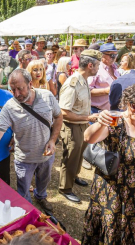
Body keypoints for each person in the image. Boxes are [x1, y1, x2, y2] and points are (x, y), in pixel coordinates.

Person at [82, 81, 135, 244]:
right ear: (128, 101)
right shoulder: (116, 122)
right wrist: (101, 123)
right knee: (109, 229)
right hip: (112, 191)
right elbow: (88, 137)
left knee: (129, 230)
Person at [0, 69, 62, 214]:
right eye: (13, 90)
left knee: (43, 181)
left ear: (30, 84)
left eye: (20, 89)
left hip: (46, 156)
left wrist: (52, 139)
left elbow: (58, 117)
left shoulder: (47, 96)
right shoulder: (10, 107)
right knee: (23, 191)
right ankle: (28, 211)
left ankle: (41, 196)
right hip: (24, 159)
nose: (17, 94)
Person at [58, 50, 101, 203]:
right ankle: (65, 188)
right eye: (97, 65)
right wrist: (88, 117)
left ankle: (74, 177)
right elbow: (63, 112)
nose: (98, 68)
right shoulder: (73, 82)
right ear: (90, 65)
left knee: (78, 155)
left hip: (81, 124)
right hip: (71, 126)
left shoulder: (83, 79)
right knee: (70, 157)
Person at [88, 43, 120, 113]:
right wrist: (106, 91)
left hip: (111, 110)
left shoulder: (115, 68)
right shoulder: (96, 69)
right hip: (96, 111)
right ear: (101, 55)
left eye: (116, 55)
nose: (114, 58)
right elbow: (87, 90)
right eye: (112, 55)